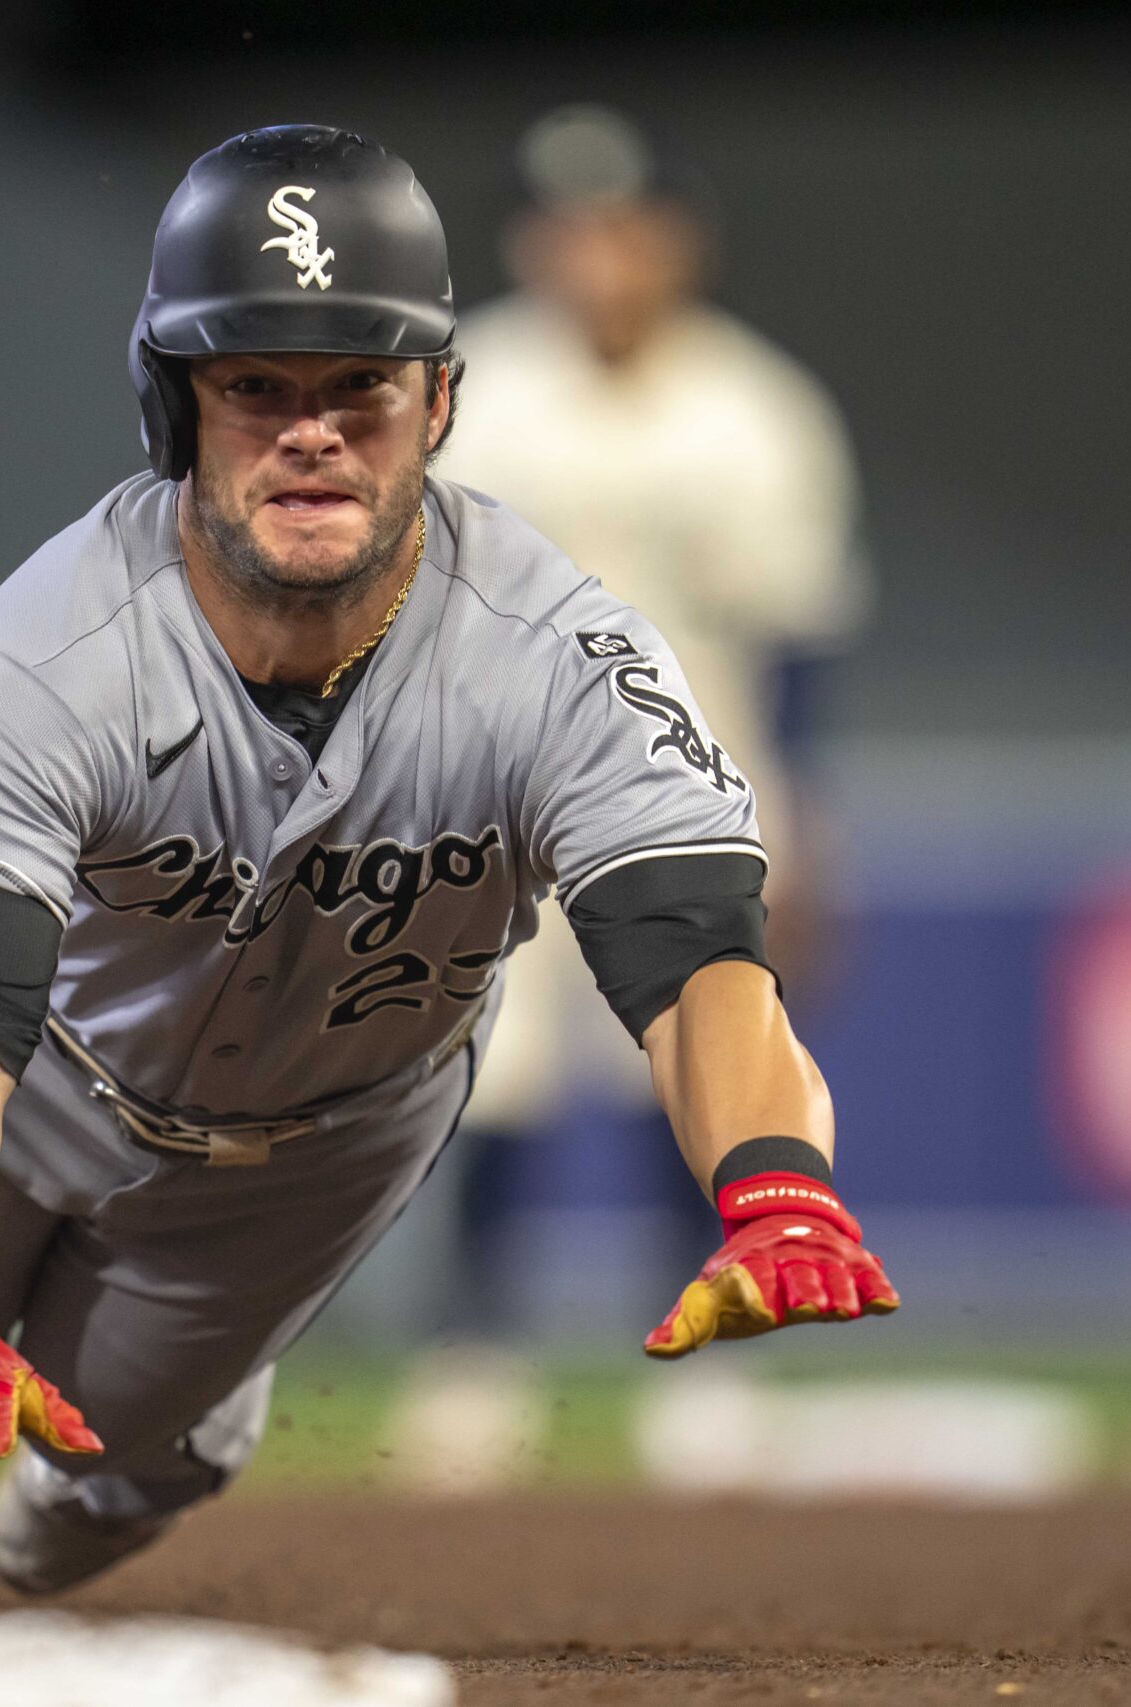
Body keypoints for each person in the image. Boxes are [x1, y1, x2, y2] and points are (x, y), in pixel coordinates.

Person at [0, 126, 899, 1591]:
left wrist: (775, 1177)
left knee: (102, 1465)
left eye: (360, 382)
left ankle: (160, 1442)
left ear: (437, 402)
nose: (313, 431)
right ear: (172, 406)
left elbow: (698, 967)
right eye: (255, 387)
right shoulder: (37, 661)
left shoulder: (564, 657)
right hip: (46, 1070)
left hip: (324, 1131)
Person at [396, 107, 871, 1486]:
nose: (596, 256)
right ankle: (470, 1349)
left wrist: (812, 822)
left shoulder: (754, 408)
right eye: (568, 227)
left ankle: (713, 1353)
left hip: (693, 784)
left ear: (678, 241)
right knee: (487, 1071)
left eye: (624, 226)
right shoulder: (467, 383)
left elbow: (802, 638)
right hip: (493, 781)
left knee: (701, 1066)